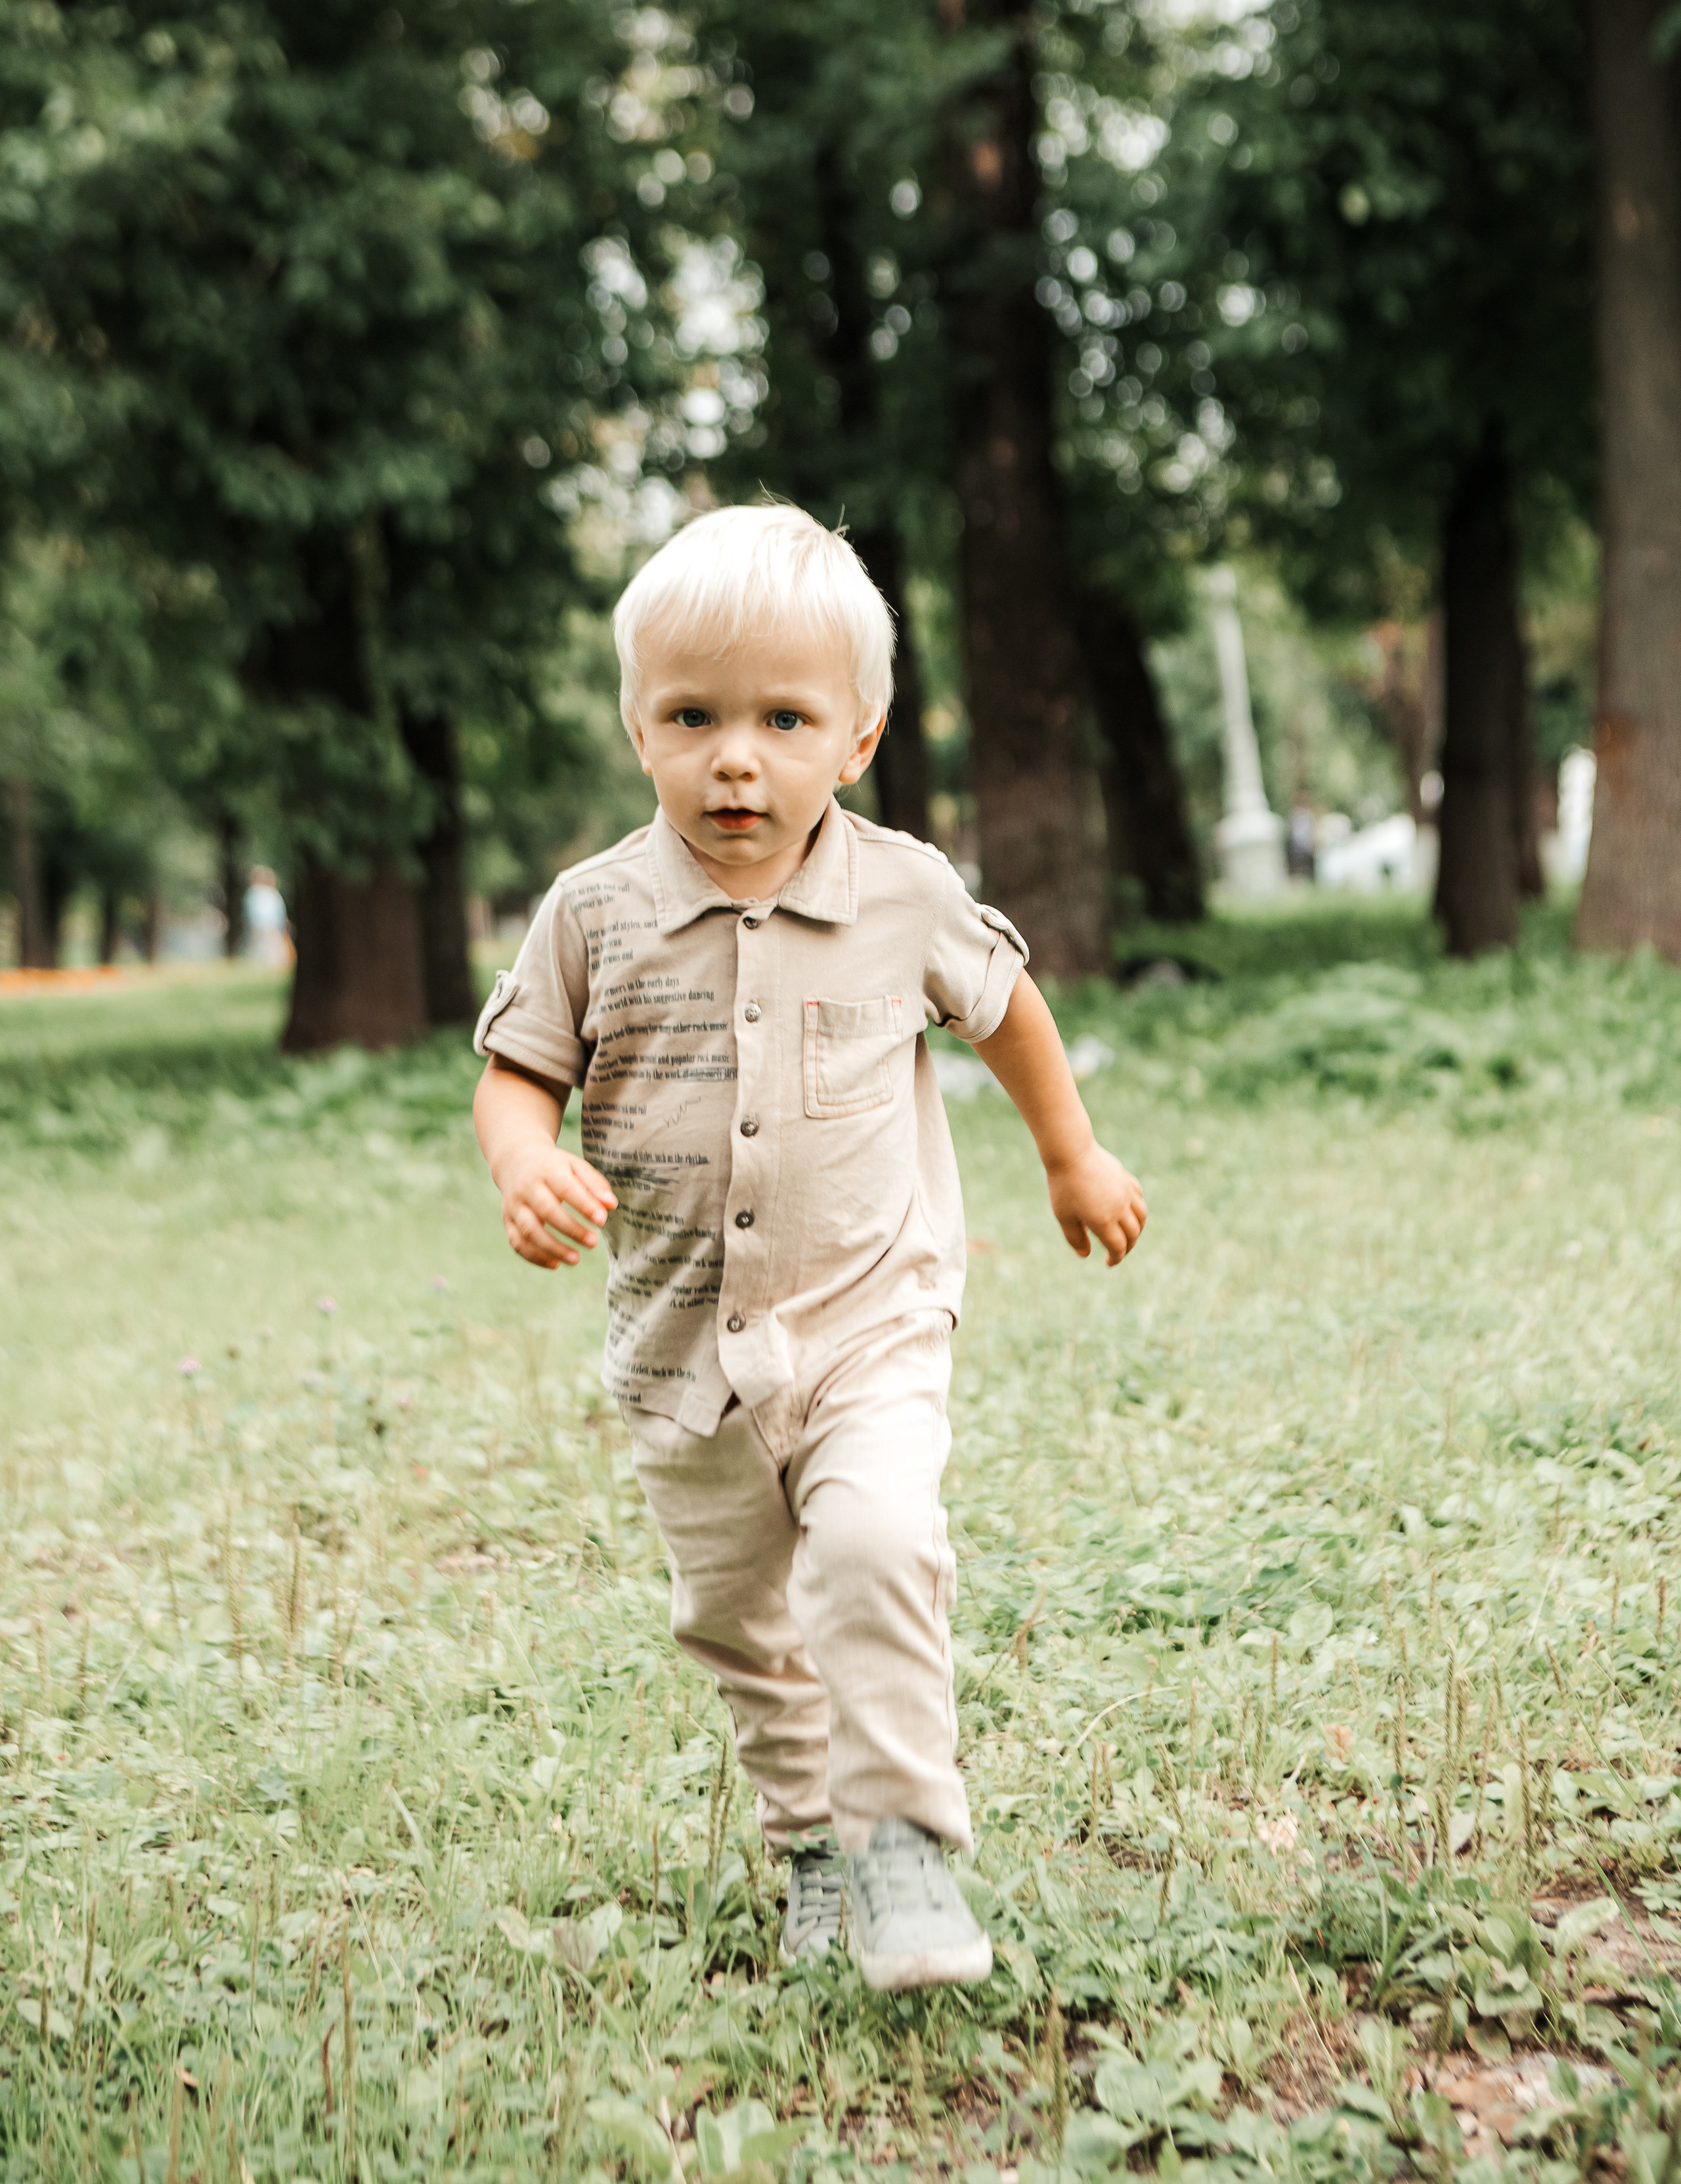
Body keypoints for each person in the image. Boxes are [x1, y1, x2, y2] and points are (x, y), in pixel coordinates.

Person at [471, 505, 1146, 1991]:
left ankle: (900, 1840)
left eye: (784, 718)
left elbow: (1006, 1004)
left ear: (856, 735)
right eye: (693, 715)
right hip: (679, 1351)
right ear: (635, 724)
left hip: (868, 1318)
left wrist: (1068, 1150)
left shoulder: (901, 888)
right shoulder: (593, 913)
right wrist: (524, 1160)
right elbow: (520, 1070)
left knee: (876, 1538)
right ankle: (809, 1848)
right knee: (741, 1625)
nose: (735, 756)